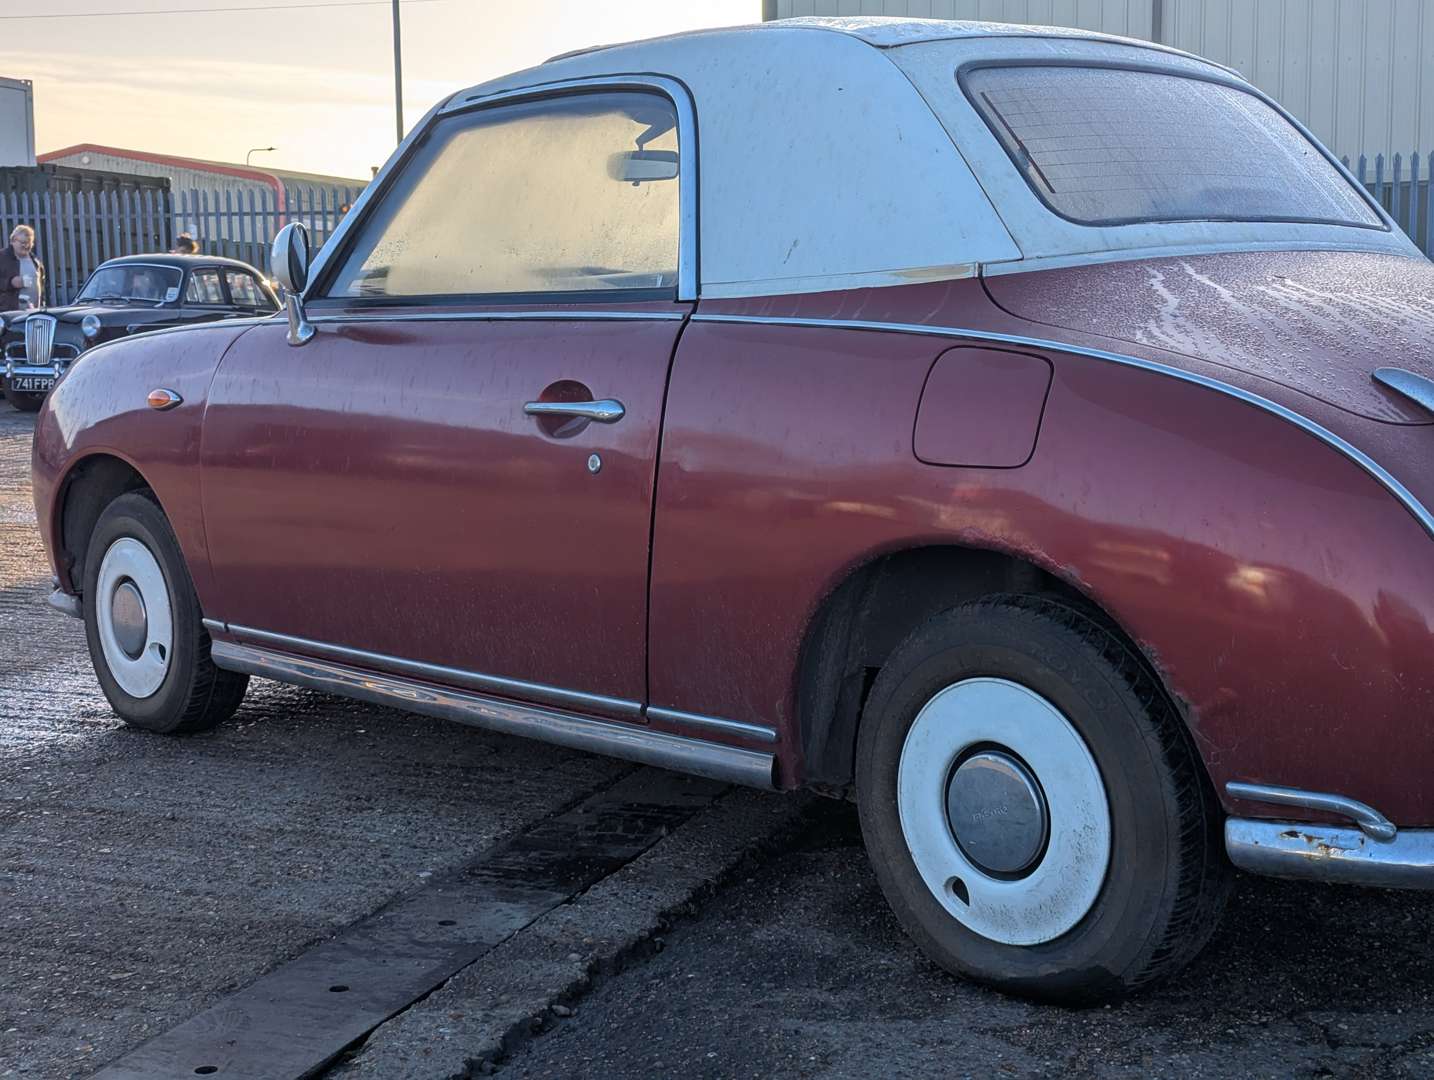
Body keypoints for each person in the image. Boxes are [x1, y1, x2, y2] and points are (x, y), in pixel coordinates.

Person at [0, 224, 45, 311]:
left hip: (33, 312)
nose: (26, 246)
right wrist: (10, 283)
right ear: (13, 240)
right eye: (23, 242)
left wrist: (42, 305)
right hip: (9, 314)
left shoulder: (35, 260)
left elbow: (42, 287)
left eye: (30, 243)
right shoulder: (2, 257)